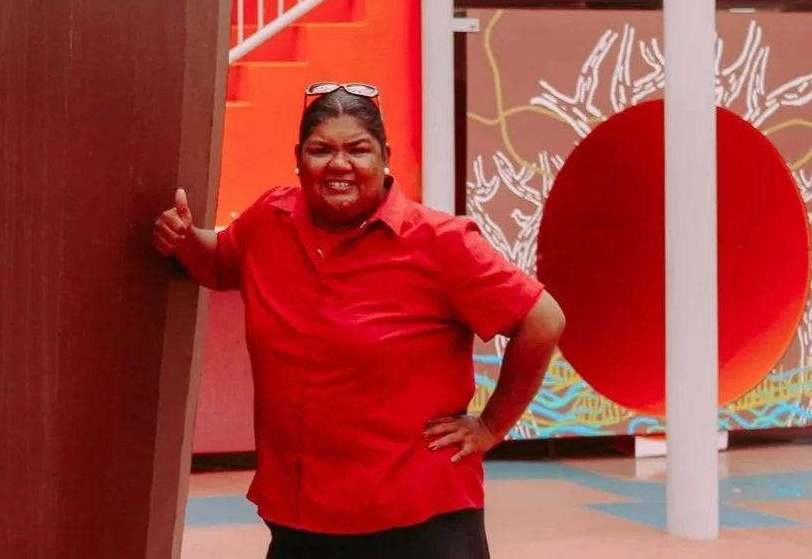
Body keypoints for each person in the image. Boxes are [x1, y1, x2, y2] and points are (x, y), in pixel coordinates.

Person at [152, 82, 564, 559]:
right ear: (299, 158)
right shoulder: (269, 220)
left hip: (418, 520)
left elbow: (543, 321)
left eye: (358, 149)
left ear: (385, 156)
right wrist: (181, 238)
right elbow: (220, 263)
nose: (339, 164)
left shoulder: (442, 243)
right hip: (301, 516)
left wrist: (491, 426)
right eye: (321, 149)